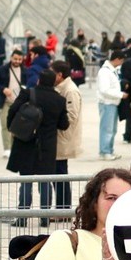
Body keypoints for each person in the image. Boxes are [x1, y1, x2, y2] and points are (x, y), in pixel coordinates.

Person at [6, 65, 67, 220]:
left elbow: (13, 110)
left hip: (26, 142)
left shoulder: (28, 93)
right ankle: (45, 217)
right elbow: (64, 124)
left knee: (26, 181)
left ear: (39, 80)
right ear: (54, 82)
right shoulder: (59, 100)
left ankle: (23, 217)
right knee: (45, 182)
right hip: (47, 146)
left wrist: (13, 128)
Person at [52, 60, 82, 209]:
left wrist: (54, 122)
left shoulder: (70, 90)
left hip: (64, 137)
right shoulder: (60, 88)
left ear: (59, 74)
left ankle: (63, 208)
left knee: (61, 174)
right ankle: (61, 207)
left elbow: (72, 115)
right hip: (59, 137)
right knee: (58, 174)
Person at [92, 53, 124, 161]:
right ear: (117, 59)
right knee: (107, 128)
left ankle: (109, 149)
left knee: (112, 129)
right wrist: (120, 94)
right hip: (107, 103)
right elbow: (104, 89)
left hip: (113, 103)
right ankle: (104, 151)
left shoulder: (112, 70)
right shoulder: (105, 71)